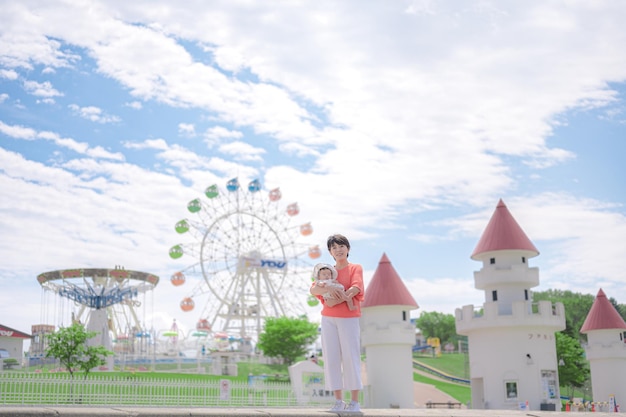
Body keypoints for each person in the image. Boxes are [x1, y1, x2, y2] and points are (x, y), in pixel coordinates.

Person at [310, 234, 364, 412]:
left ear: (348, 249)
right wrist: (330, 291)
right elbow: (314, 288)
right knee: (331, 358)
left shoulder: (355, 268)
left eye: (341, 246)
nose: (338, 250)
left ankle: (354, 402)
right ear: (330, 252)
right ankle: (338, 401)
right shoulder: (326, 270)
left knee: (351, 357)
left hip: (349, 318)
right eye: (334, 248)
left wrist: (342, 297)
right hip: (328, 319)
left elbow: (357, 286)